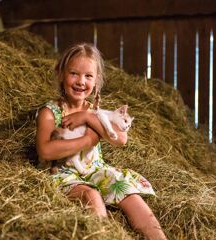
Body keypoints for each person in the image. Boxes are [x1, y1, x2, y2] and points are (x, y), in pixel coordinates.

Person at [36, 43, 166, 240]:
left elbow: (121, 139)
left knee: (127, 191)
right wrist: (88, 139)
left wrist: (87, 118)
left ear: (96, 81)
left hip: (95, 170)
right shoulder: (50, 112)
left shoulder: (94, 112)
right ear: (61, 74)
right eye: (74, 74)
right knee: (91, 196)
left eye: (88, 76)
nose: (81, 81)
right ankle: (104, 236)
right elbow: (45, 151)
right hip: (63, 174)